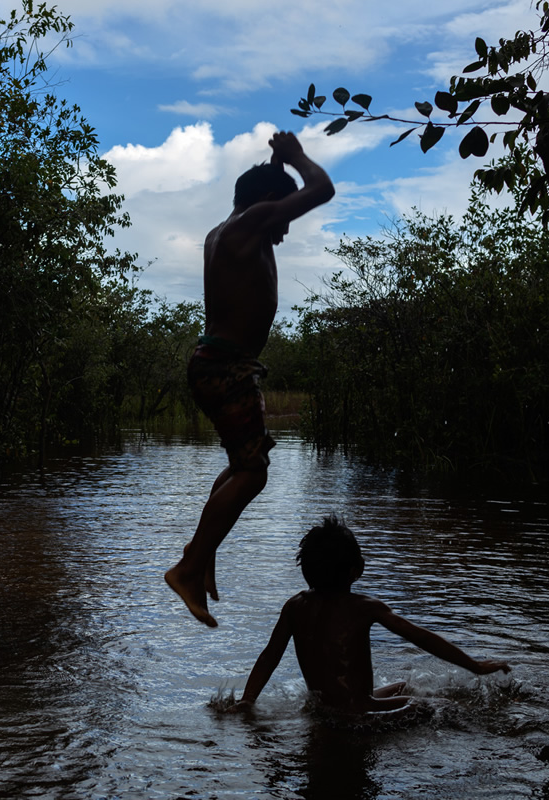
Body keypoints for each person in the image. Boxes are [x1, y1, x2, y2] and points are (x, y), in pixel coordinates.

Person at [164, 130, 336, 627]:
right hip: (226, 365)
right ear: (266, 203)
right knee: (254, 473)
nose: (284, 228)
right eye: (283, 214)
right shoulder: (251, 222)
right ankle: (190, 566)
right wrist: (295, 157)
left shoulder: (226, 229)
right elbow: (322, 190)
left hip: (219, 362)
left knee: (247, 462)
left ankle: (199, 552)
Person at [227, 516, 511, 713]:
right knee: (437, 708)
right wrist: (475, 666)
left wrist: (247, 700)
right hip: (360, 712)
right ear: (355, 571)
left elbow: (269, 657)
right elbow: (421, 638)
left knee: (403, 686)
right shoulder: (364, 607)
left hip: (324, 709)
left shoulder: (295, 606)